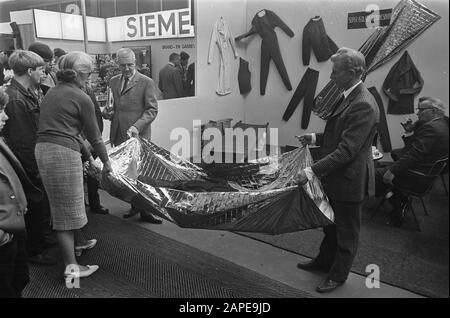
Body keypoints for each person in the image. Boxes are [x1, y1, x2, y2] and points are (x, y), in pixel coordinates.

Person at [294, 47, 379, 293]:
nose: (331, 77)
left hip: (350, 180)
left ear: (353, 72)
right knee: (330, 224)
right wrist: (313, 136)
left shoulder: (363, 104)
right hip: (338, 177)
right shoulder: (349, 95)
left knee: (347, 233)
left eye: (336, 72)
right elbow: (340, 133)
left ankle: (338, 276)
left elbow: (346, 151)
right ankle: (323, 262)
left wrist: (311, 172)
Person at [35, 51, 112, 281]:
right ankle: (72, 266)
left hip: (46, 150)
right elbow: (95, 136)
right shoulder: (81, 97)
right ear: (78, 74)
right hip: (61, 154)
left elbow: (74, 133)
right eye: (88, 74)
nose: (89, 78)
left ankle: (79, 243)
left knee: (66, 204)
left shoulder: (53, 92)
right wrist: (106, 163)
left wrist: (88, 157)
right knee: (65, 212)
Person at [3, 50, 57, 266]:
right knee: (34, 206)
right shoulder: (16, 99)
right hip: (27, 163)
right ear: (29, 71)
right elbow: (23, 141)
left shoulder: (25, 92)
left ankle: (41, 242)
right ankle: (35, 250)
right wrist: (35, 168)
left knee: (38, 205)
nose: (44, 74)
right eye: (41, 69)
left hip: (31, 159)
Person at [105, 48, 161, 224]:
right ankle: (134, 206)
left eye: (129, 64)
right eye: (123, 65)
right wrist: (107, 113)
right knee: (127, 175)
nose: (127, 68)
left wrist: (137, 126)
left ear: (135, 63)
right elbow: (112, 109)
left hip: (138, 137)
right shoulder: (113, 81)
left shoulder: (146, 82)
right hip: (119, 135)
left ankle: (146, 211)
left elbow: (152, 110)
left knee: (142, 174)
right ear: (118, 65)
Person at [375, 97, 449, 226]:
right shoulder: (442, 124)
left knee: (371, 175)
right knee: (393, 158)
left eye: (421, 110)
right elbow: (413, 149)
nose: (417, 113)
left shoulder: (432, 128)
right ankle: (397, 196)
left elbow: (414, 155)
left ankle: (397, 200)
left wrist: (391, 171)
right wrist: (410, 131)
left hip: (417, 176)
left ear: (434, 111)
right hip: (427, 172)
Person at [1, 87, 42, 297]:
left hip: (13, 228)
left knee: (19, 280)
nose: (5, 116)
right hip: (4, 233)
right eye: (0, 110)